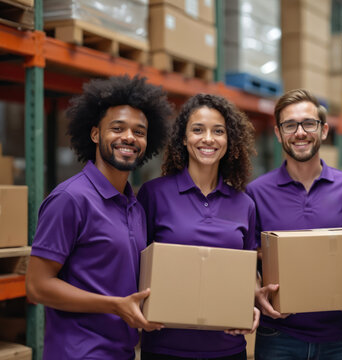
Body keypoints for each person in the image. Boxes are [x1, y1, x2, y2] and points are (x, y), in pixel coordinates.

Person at [25, 75, 172, 359]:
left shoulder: (134, 205)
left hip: (122, 352)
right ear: (95, 134)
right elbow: (37, 285)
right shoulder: (70, 199)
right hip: (77, 353)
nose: (129, 137)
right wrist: (114, 305)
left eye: (139, 132)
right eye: (117, 128)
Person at [137, 94, 260, 360]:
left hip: (227, 348)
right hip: (165, 347)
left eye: (218, 131)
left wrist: (252, 303)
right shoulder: (154, 194)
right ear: (183, 138)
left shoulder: (244, 204)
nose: (208, 139)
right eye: (197, 130)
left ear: (229, 140)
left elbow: (249, 272)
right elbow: (137, 265)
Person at [246, 89, 342, 359]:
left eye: (309, 123)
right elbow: (249, 258)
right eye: (289, 125)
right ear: (278, 134)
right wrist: (257, 293)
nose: (300, 132)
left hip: (339, 337)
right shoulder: (256, 192)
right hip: (278, 336)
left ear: (323, 131)